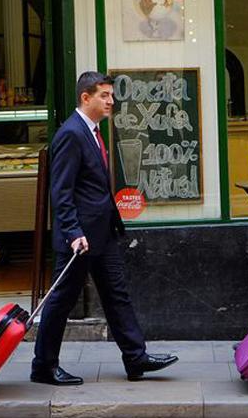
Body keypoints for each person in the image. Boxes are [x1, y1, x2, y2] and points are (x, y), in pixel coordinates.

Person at [30, 71, 178, 385]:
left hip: (102, 233)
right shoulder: (71, 134)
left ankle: (136, 358)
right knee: (60, 301)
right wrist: (72, 232)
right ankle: (43, 366)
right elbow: (61, 191)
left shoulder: (93, 131)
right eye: (105, 96)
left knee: (116, 294)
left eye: (111, 95)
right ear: (86, 97)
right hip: (80, 239)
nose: (112, 101)